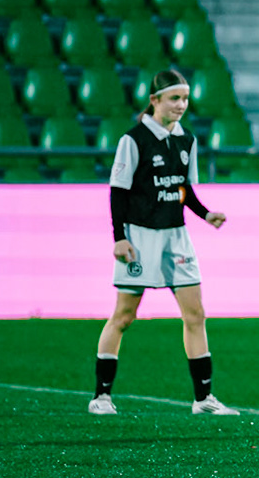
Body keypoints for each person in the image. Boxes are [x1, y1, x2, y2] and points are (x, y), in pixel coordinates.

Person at [90, 69, 234, 416]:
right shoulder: (134, 139)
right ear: (154, 100)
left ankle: (204, 400)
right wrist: (119, 238)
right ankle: (102, 397)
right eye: (174, 98)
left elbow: (183, 188)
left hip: (176, 236)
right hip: (140, 236)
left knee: (195, 314)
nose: (181, 105)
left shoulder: (186, 139)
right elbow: (118, 192)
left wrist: (204, 214)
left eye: (184, 98)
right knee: (124, 316)